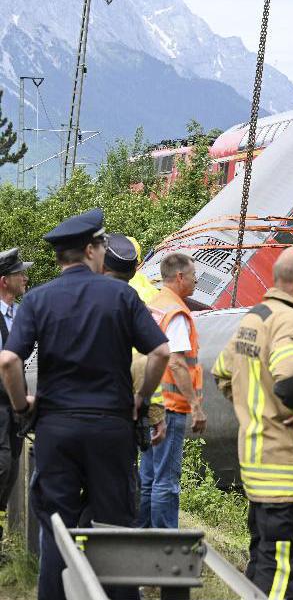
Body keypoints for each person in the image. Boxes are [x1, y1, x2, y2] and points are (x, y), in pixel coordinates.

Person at [0, 209, 170, 600]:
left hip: (56, 429)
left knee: (56, 529)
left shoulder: (38, 300)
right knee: (114, 529)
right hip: (111, 429)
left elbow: (8, 361)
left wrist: (22, 407)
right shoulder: (122, 296)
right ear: (93, 250)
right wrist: (142, 399)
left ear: (61, 257)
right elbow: (160, 352)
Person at [211, 247, 293, 600]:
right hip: (286, 472)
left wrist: (258, 410)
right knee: (284, 575)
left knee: (262, 568)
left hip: (260, 472)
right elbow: (291, 381)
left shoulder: (255, 319)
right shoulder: (289, 322)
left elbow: (224, 372)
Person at [137, 252, 205, 529]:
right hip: (171, 405)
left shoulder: (154, 305)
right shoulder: (176, 312)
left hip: (150, 401)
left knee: (149, 477)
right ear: (179, 277)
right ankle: (166, 540)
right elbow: (177, 362)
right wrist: (196, 406)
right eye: (192, 276)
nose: (196, 280)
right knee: (167, 480)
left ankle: (142, 534)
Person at [102, 234, 166, 448]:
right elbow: (152, 354)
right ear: (138, 262)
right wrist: (153, 408)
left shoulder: (71, 293)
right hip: (127, 391)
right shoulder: (149, 292)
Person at [0, 248, 32, 553]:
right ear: (4, 281)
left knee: (9, 468)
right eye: (19, 273)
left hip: (12, 409)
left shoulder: (19, 314)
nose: (25, 277)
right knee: (1, 467)